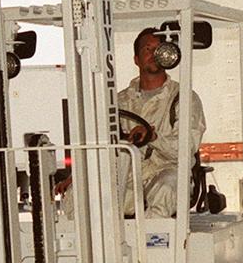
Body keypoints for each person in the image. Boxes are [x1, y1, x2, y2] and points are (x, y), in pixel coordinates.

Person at [59, 28, 207, 218]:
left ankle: (150, 244)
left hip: (165, 170)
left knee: (166, 189)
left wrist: (153, 137)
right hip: (126, 174)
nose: (154, 55)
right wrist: (75, 177)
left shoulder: (183, 98)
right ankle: (92, 247)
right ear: (136, 59)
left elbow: (185, 150)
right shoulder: (118, 101)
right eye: (147, 49)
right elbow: (99, 143)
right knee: (75, 195)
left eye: (158, 49)